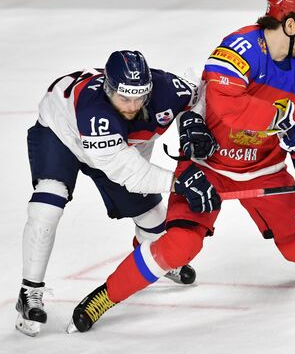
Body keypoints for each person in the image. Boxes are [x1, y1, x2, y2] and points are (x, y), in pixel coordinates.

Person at [68, 0, 295, 333]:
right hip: (208, 166)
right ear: (291, 23)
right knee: (179, 245)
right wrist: (283, 119)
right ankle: (107, 294)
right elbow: (227, 108)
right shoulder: (238, 48)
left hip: (265, 168)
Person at [15, 50, 221, 337]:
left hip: (120, 150)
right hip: (61, 136)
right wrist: (179, 181)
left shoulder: (167, 89)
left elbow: (202, 91)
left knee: (153, 219)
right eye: (124, 98)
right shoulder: (94, 112)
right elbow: (131, 174)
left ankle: (147, 251)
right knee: (47, 206)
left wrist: (191, 122)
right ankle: (29, 292)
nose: (133, 105)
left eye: (140, 97)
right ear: (108, 89)